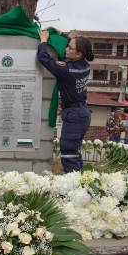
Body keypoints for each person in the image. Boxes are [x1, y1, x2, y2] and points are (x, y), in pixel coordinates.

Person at [37, 29, 94, 172]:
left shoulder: (66, 70)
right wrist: (62, 33)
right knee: (74, 152)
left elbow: (43, 57)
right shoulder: (84, 65)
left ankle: (73, 187)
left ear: (79, 54)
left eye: (70, 48)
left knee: (69, 153)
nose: (66, 49)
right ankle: (79, 183)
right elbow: (76, 44)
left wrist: (43, 40)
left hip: (74, 115)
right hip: (82, 113)